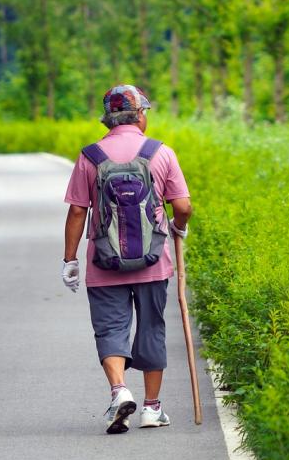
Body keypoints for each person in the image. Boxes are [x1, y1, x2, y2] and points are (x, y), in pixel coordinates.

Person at [62, 84, 192, 434]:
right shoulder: (161, 153)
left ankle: (120, 391)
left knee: (110, 329)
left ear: (108, 119)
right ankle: (152, 408)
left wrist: (70, 259)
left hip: (104, 264)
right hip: (153, 262)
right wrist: (179, 228)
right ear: (140, 115)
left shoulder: (90, 156)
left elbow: (78, 211)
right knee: (152, 327)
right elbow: (182, 206)